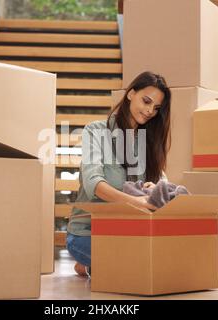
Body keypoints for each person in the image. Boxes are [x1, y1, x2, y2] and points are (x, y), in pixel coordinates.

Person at [66, 71, 172, 277]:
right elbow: (93, 184)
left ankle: (90, 266)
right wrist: (137, 202)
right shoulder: (96, 131)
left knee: (165, 260)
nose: (150, 111)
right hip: (89, 232)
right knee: (140, 266)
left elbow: (164, 184)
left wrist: (157, 188)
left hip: (132, 230)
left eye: (156, 108)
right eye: (146, 101)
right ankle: (88, 262)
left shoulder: (148, 141)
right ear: (131, 94)